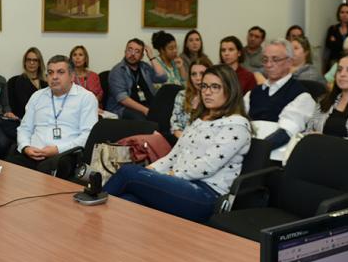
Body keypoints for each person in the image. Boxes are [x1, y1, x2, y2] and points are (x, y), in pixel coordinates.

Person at [103, 65, 251, 222]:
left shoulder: (236, 125)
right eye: (204, 86)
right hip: (180, 184)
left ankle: (89, 205)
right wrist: (151, 170)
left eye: (215, 87)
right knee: (127, 200)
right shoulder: (199, 120)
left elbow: (207, 166)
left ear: (230, 90)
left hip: (206, 195)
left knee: (128, 173)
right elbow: (173, 156)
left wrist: (170, 175)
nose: (207, 92)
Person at [9, 55, 98, 175]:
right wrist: (26, 147)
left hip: (65, 154)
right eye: (50, 73)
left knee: (50, 168)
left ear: (72, 76)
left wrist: (57, 150)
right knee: (9, 165)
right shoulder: (37, 96)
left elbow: (88, 136)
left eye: (60, 72)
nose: (54, 77)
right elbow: (24, 128)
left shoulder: (86, 98)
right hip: (34, 153)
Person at [244, 40, 316, 153]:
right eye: (265, 59)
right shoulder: (252, 93)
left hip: (277, 157)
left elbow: (285, 133)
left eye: (275, 59)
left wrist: (255, 151)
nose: (268, 64)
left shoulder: (302, 96)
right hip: (248, 150)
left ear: (289, 62)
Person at [106, 38, 167, 119]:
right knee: (140, 117)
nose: (132, 54)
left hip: (147, 105)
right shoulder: (118, 71)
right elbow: (122, 98)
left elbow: (162, 78)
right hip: (124, 109)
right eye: (129, 50)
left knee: (166, 112)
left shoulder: (144, 67)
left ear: (142, 56)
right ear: (125, 52)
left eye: (137, 51)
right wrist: (145, 110)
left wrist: (151, 57)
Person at [170, 56, 213, 138]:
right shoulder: (182, 95)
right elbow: (175, 124)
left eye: (202, 73)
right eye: (194, 74)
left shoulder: (215, 98)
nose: (198, 78)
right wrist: (184, 140)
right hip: (181, 140)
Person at [324, 3, 348, 71]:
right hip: (335, 60)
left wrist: (336, 42)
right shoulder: (333, 29)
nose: (344, 15)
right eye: (342, 12)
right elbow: (329, 45)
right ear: (338, 14)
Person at [8, 47, 46, 120]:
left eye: (35, 60)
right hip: (26, 119)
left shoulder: (46, 82)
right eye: (29, 60)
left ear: (39, 63)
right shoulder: (19, 81)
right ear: (25, 62)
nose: (31, 63)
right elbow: (25, 105)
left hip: (45, 119)